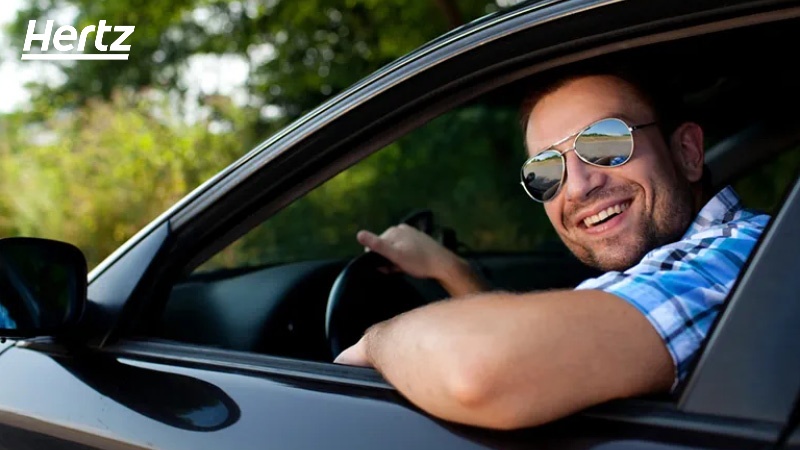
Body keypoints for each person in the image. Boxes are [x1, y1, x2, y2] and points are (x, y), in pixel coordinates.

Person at [333, 72, 770, 430]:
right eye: (545, 170)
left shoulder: (741, 258)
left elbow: (484, 371)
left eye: (605, 143)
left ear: (687, 152)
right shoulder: (708, 262)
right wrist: (451, 269)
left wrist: (375, 342)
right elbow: (547, 349)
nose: (578, 186)